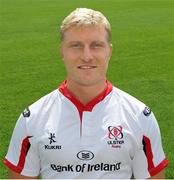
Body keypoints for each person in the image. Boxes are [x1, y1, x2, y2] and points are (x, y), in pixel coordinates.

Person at [3, 8, 168, 179]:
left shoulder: (139, 116)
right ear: (62, 51)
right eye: (76, 46)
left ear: (109, 51)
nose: (87, 56)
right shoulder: (32, 119)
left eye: (96, 45)